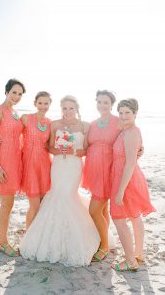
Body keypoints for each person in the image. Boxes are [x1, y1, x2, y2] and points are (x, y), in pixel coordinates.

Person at [20, 95, 114, 267]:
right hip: (58, 166)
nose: (68, 111)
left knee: (69, 196)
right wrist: (57, 150)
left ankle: (88, 237)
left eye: (71, 108)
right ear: (61, 109)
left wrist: (78, 151)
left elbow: (87, 148)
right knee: (56, 195)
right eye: (65, 108)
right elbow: (48, 146)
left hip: (74, 166)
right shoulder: (54, 124)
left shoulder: (85, 126)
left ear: (76, 108)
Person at [110, 98, 156, 271]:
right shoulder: (126, 130)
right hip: (126, 177)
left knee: (118, 218)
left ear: (135, 113)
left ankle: (130, 260)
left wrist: (120, 190)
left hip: (126, 179)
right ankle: (138, 253)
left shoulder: (131, 133)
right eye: (120, 112)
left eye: (127, 113)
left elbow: (129, 163)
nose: (123, 116)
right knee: (134, 216)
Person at [0, 78, 26, 257]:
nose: (16, 97)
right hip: (3, 162)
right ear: (6, 92)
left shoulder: (15, 112)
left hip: (15, 161)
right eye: (14, 93)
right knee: (6, 203)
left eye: (19, 94)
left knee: (9, 203)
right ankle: (2, 242)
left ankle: (3, 239)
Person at [83, 90, 120, 262]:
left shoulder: (118, 122)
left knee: (94, 210)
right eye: (99, 102)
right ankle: (104, 241)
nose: (102, 105)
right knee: (103, 209)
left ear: (112, 104)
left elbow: (130, 138)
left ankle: (104, 246)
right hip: (93, 170)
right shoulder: (92, 124)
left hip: (108, 170)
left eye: (106, 102)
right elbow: (85, 146)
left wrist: (139, 150)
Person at [21, 92, 52, 229]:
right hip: (29, 164)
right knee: (34, 205)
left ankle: (36, 233)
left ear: (49, 105)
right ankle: (29, 236)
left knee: (42, 202)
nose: (43, 106)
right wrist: (0, 140)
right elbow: (13, 133)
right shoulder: (26, 118)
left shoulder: (49, 123)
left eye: (46, 103)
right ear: (35, 103)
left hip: (44, 163)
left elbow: (50, 146)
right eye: (40, 103)